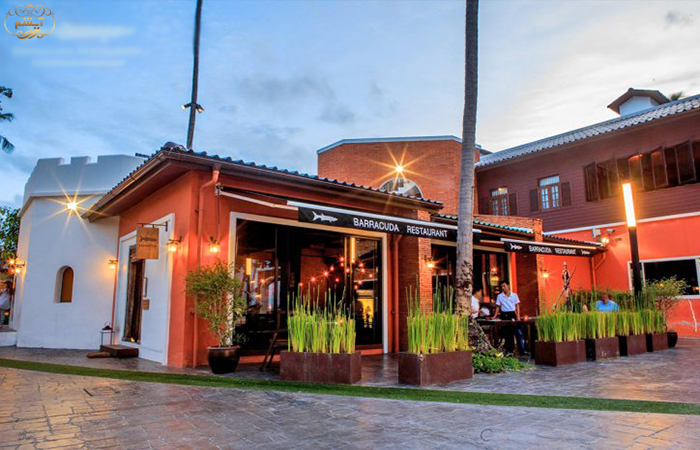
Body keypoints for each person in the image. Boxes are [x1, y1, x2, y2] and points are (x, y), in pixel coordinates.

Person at [493, 282, 526, 355]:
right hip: (504, 315)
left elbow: (517, 306)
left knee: (518, 332)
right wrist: (495, 316)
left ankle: (522, 351)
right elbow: (498, 307)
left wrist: (518, 316)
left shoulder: (514, 295)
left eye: (504, 286)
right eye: (502, 286)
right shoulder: (500, 296)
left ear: (508, 286)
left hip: (512, 314)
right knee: (507, 333)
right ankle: (510, 351)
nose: (503, 288)